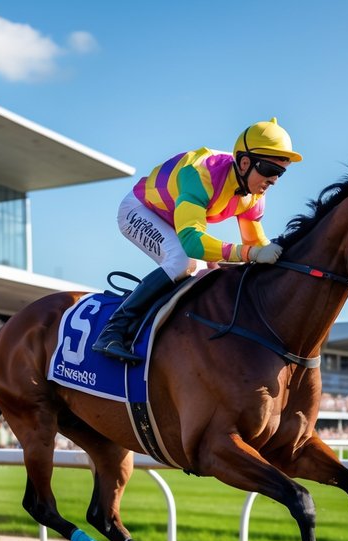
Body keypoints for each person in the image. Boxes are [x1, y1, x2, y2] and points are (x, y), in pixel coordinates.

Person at [91, 118, 302, 363]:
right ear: (245, 162)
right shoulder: (201, 173)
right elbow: (193, 243)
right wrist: (250, 254)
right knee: (182, 262)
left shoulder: (254, 194)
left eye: (281, 173)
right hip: (139, 210)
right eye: (270, 171)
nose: (274, 180)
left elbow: (256, 243)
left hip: (178, 221)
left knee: (210, 273)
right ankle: (113, 330)